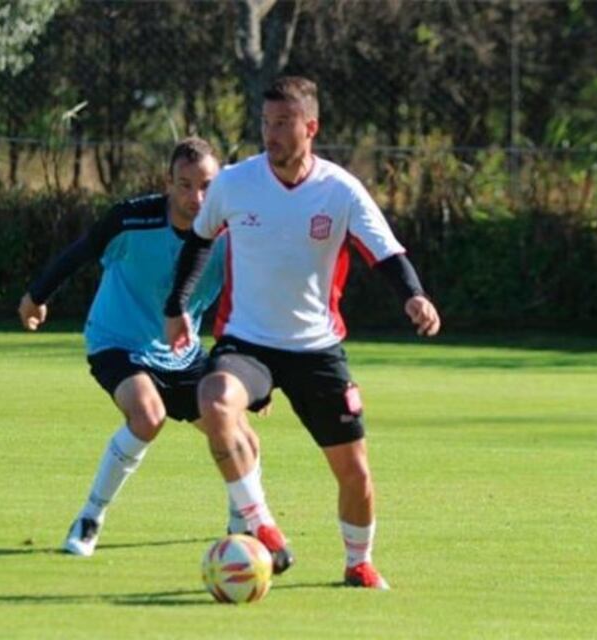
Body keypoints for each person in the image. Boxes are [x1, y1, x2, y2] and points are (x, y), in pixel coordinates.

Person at [164, 77, 441, 589]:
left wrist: (414, 295)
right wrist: (176, 305)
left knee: (355, 471)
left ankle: (358, 562)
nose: (271, 134)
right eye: (266, 123)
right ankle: (262, 523)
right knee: (214, 398)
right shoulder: (234, 183)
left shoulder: (339, 189)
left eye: (284, 124)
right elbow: (199, 241)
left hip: (316, 348)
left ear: (310, 127)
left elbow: (386, 253)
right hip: (248, 342)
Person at [18, 137, 265, 556]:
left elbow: (248, 303)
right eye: (184, 185)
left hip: (181, 355)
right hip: (117, 341)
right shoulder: (131, 220)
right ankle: (89, 519)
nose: (196, 197)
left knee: (244, 437)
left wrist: (252, 376)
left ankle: (241, 534)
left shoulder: (232, 234)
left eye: (206, 185)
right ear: (168, 184)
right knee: (149, 415)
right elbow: (79, 253)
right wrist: (36, 296)